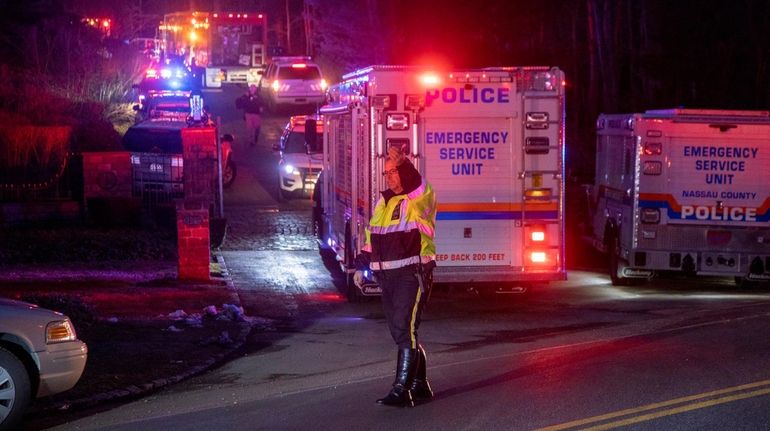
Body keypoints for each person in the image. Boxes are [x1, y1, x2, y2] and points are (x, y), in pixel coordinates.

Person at [354, 146, 438, 407]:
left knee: (405, 327)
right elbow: (372, 238)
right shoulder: (384, 201)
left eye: (393, 172)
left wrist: (405, 165)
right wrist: (360, 266)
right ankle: (420, 384)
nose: (388, 177)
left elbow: (416, 184)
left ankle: (402, 389)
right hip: (387, 277)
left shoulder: (419, 198)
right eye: (386, 172)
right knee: (401, 332)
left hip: (411, 274)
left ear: (404, 172)